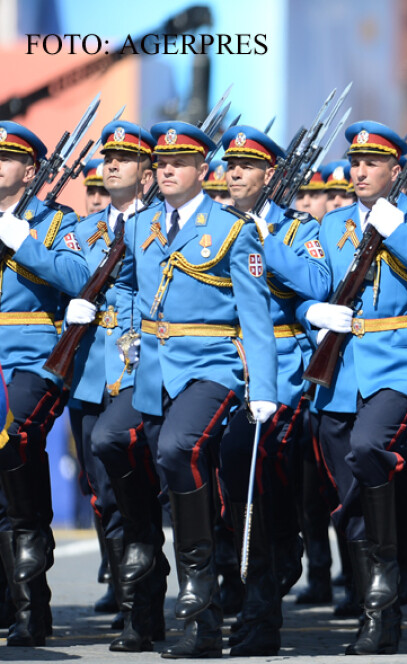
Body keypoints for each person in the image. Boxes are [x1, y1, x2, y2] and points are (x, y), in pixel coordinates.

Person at [110, 120, 278, 658]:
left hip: (212, 367)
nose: (166, 171)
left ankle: (199, 592)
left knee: (178, 447)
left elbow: (256, 315)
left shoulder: (232, 228)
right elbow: (125, 285)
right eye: (160, 163)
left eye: (178, 163)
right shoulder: (139, 228)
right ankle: (198, 616)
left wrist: (264, 386)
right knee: (148, 459)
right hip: (155, 370)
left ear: (202, 171)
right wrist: (128, 328)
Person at [303, 120, 407, 655]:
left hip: (398, 364)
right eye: (354, 162)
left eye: (372, 163)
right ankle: (386, 586)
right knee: (348, 498)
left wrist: (400, 235)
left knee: (370, 449)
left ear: (396, 172)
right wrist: (312, 313)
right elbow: (311, 287)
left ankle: (382, 601)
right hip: (340, 371)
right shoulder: (332, 224)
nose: (359, 171)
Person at [216, 124, 331, 655]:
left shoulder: (296, 227)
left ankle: (263, 598)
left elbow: (317, 284)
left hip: (280, 371)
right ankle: (233, 577)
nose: (234, 173)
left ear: (271, 176)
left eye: (246, 166)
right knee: (225, 484)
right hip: (219, 365)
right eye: (229, 166)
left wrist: (263, 236)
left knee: (259, 479)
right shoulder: (210, 225)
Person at [63, 120, 168, 652]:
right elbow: (58, 270)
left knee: (119, 456)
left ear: (147, 171)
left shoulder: (158, 228)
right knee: (104, 491)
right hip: (87, 373)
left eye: (126, 157)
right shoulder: (83, 230)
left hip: (138, 368)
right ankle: (135, 604)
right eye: (109, 157)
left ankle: (144, 599)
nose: (112, 164)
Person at [0, 120, 89, 647]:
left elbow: (79, 279)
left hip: (32, 361)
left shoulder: (56, 222)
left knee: (14, 445)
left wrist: (24, 243)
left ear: (31, 171)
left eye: (6, 158)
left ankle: (33, 603)